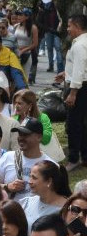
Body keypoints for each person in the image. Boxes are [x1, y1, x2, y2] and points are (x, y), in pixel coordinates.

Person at [0, 119, 55, 204]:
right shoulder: (7, 157)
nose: (21, 138)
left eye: (25, 134)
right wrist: (7, 187)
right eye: (20, 134)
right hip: (10, 211)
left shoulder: (50, 165)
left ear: (39, 137)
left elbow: (56, 196)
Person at [61, 15, 87, 171]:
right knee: (82, 123)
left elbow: (79, 70)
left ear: (77, 26)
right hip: (82, 85)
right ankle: (84, 156)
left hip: (79, 88)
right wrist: (65, 73)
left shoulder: (79, 45)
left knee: (73, 124)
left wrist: (73, 93)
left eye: (69, 26)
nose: (67, 29)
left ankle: (73, 158)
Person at [21, 160, 71, 226]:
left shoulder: (66, 209)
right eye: (30, 176)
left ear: (49, 181)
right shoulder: (26, 203)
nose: (29, 181)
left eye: (34, 178)